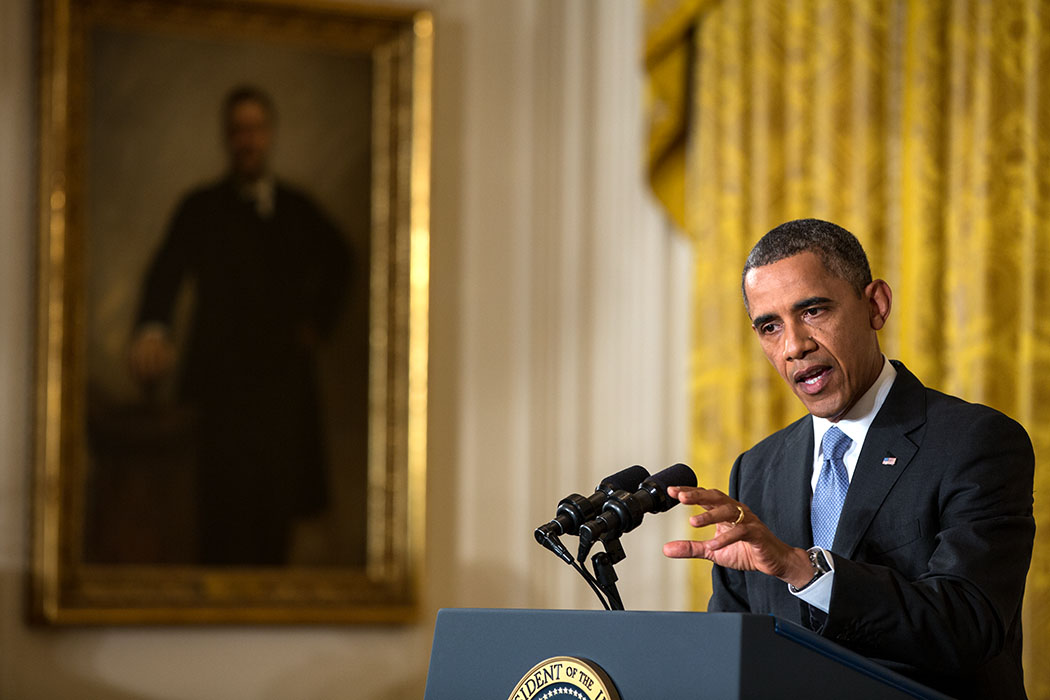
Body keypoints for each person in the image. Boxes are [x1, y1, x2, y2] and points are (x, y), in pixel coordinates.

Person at [663, 219, 1035, 699]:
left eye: (813, 310)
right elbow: (736, 653)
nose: (794, 345)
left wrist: (803, 570)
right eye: (769, 326)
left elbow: (969, 626)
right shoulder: (756, 469)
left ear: (875, 305)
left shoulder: (975, 441)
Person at [129, 85, 351, 565]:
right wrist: (152, 328)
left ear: (269, 135)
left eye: (255, 130)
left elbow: (342, 262)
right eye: (237, 131)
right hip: (219, 388)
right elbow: (166, 271)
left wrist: (317, 323)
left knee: (275, 521)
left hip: (281, 391)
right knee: (217, 516)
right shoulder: (201, 207)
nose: (246, 141)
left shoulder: (296, 208)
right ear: (226, 138)